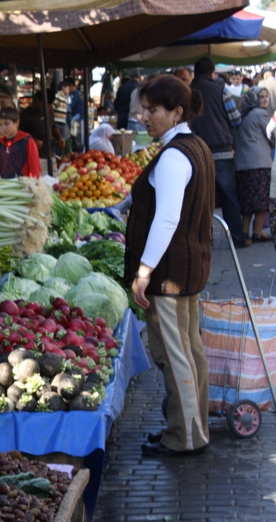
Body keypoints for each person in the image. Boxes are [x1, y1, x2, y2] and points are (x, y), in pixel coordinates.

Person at [124, 74, 214, 457]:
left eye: (153, 110)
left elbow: (166, 220)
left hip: (171, 274)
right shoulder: (195, 146)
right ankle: (191, 429)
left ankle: (186, 436)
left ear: (176, 112)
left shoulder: (175, 155)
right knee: (189, 351)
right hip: (187, 268)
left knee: (177, 354)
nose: (145, 116)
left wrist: (143, 272)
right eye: (143, 108)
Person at [191, 57, 250, 248]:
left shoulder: (187, 92)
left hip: (198, 151)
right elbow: (235, 119)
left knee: (202, 198)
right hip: (223, 150)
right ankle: (237, 239)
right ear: (212, 72)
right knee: (229, 197)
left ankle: (204, 240)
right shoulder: (220, 89)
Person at [234, 88, 272, 242]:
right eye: (261, 97)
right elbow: (273, 134)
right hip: (260, 163)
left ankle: (245, 232)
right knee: (262, 201)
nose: (264, 100)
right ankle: (257, 232)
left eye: (265, 97)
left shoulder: (241, 115)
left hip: (242, 164)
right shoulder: (261, 114)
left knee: (248, 202)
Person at [0, 106, 40, 179]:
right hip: (3, 187)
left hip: (23, 186)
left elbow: (34, 166)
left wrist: (34, 183)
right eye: (0, 124)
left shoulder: (27, 141)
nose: (3, 127)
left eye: (6, 124)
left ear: (17, 122)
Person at [66, 77, 84, 151]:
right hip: (75, 118)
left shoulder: (76, 94)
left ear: (71, 86)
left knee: (78, 139)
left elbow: (68, 106)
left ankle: (80, 153)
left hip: (79, 119)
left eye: (68, 87)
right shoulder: (72, 94)